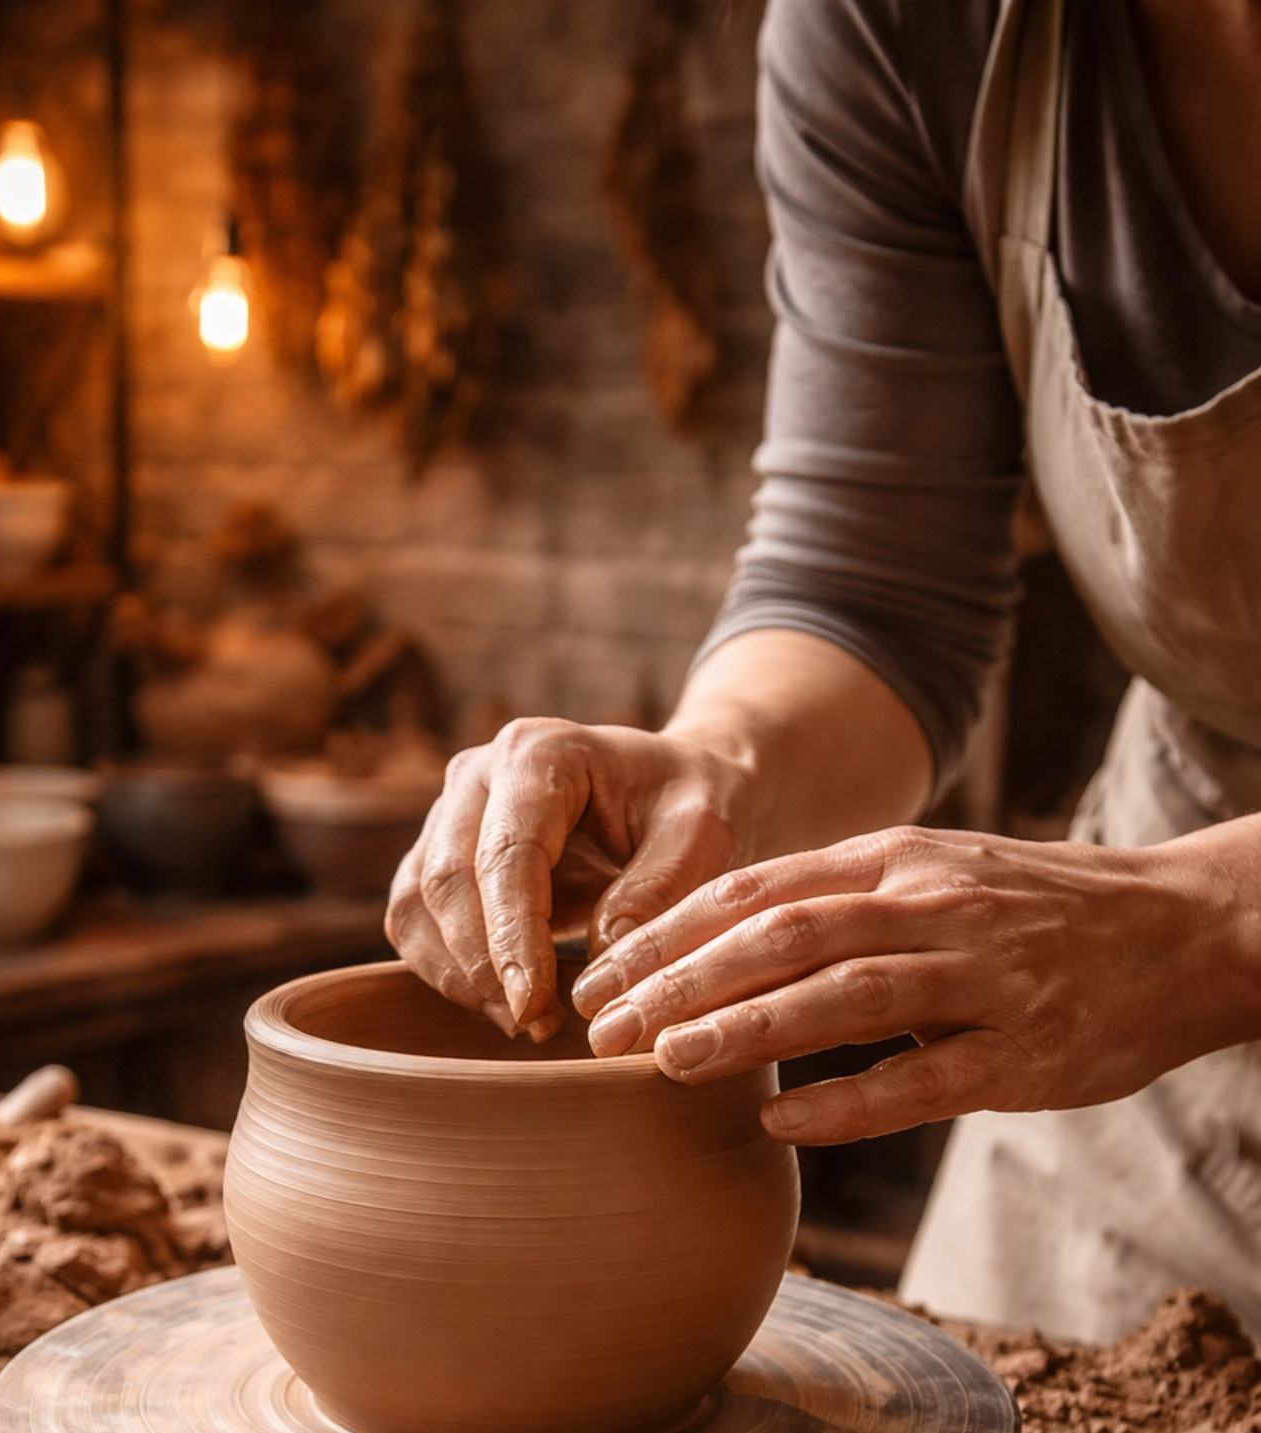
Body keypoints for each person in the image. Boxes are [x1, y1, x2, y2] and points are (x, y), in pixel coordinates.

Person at [385, 0, 1261, 1346]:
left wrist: (1203, 927)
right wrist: (721, 766)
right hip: (1190, 850)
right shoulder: (895, 22)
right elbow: (876, 587)